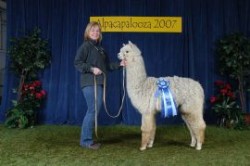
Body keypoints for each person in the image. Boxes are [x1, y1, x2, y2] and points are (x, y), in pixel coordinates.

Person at [74, 21, 126, 150]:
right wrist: (91, 69)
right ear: (88, 32)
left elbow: (107, 66)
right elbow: (77, 63)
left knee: (94, 110)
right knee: (93, 110)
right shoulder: (85, 46)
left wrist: (120, 64)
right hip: (89, 82)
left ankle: (86, 139)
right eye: (93, 30)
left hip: (99, 83)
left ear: (100, 33)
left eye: (97, 31)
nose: (95, 33)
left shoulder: (100, 49)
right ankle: (85, 141)